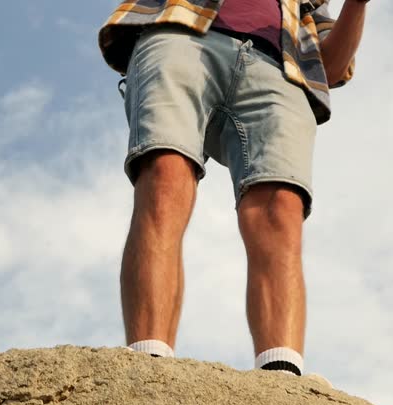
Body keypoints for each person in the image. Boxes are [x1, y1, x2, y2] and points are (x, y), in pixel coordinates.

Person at [98, 0, 368, 379]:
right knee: (165, 176)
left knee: (281, 209)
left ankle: (281, 375)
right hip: (184, 30)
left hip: (280, 68)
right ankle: (149, 364)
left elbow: (331, 68)